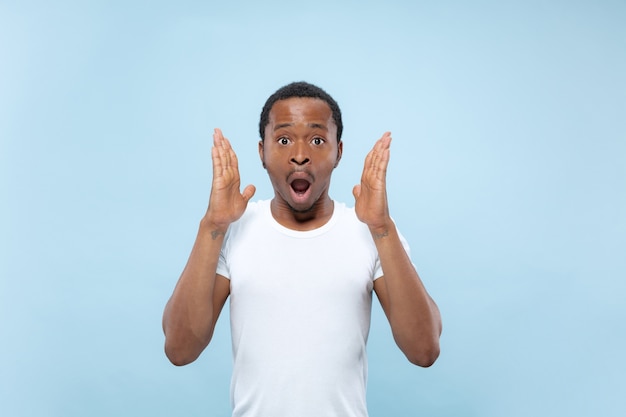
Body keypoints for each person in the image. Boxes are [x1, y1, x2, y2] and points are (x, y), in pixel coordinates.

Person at [162, 81, 442, 417]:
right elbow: (180, 349)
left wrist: (382, 229)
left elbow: (424, 350)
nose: (299, 153)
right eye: (283, 139)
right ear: (262, 152)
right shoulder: (231, 230)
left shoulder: (371, 229)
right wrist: (212, 226)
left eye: (317, 139)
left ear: (338, 152)